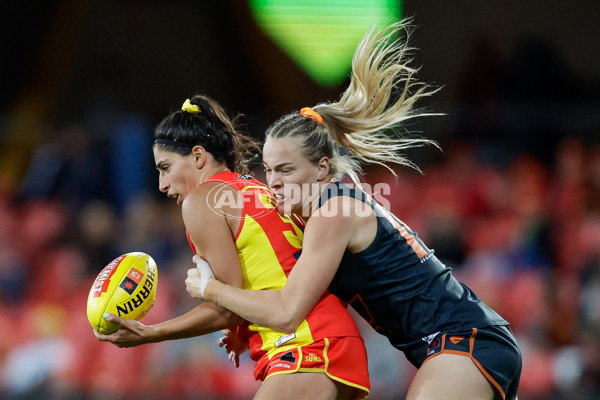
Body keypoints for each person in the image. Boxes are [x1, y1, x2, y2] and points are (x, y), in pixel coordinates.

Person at [186, 21, 522, 400]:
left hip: (464, 340)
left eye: (286, 169)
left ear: (322, 169)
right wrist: (239, 328)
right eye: (269, 169)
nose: (273, 180)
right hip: (457, 344)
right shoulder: (318, 214)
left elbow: (285, 311)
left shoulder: (334, 214)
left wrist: (211, 289)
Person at [95, 94, 370, 400]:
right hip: (333, 342)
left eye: (166, 167)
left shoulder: (202, 201)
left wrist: (150, 333)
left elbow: (224, 308)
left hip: (304, 346)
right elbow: (273, 267)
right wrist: (244, 331)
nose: (162, 184)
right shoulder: (255, 187)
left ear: (199, 157)